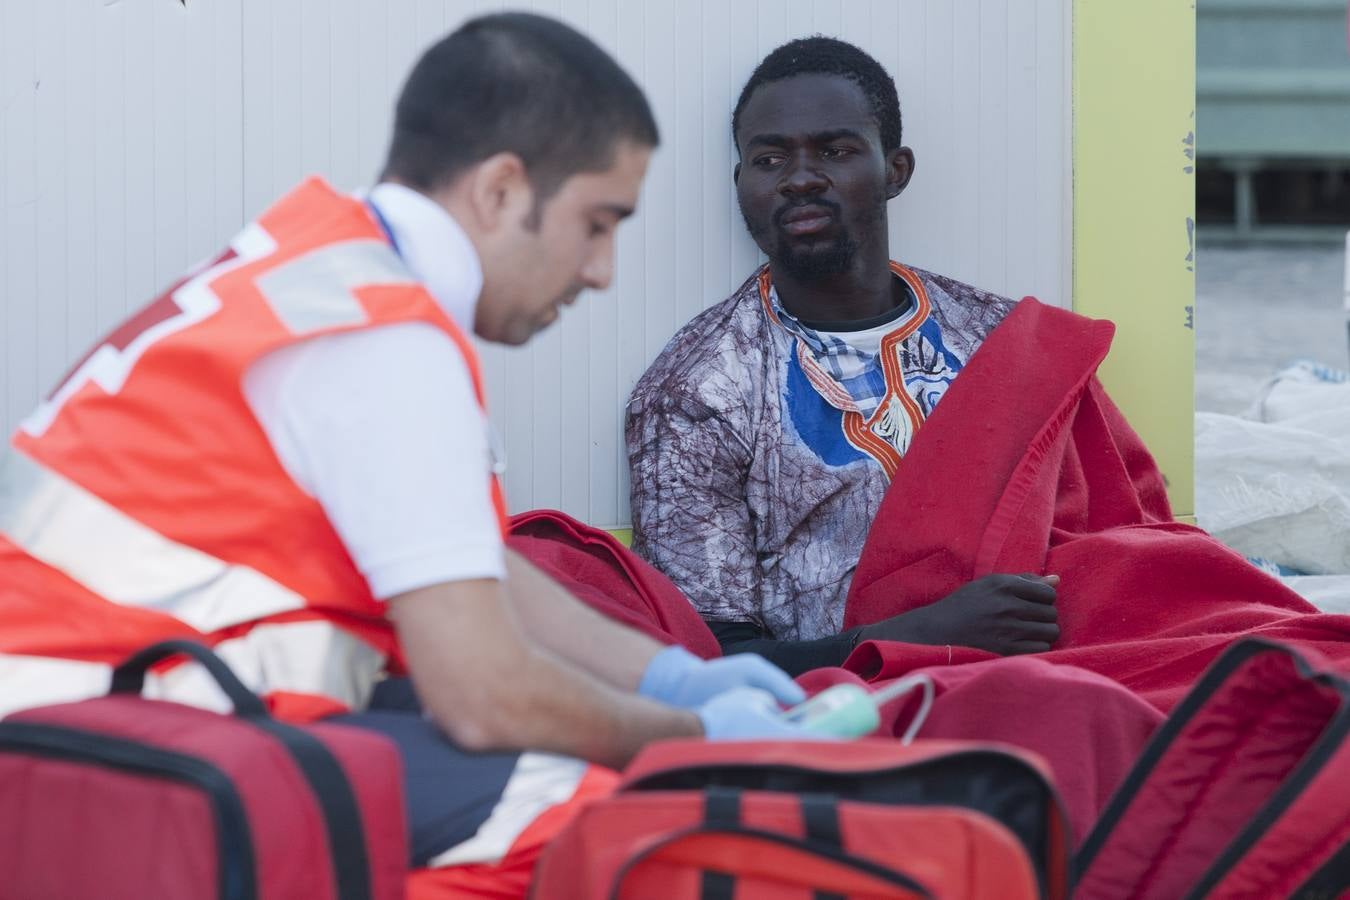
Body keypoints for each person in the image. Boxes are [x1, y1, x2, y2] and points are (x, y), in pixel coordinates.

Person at [0, 14, 816, 898]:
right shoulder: (384, 338)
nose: (602, 271)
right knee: (593, 814)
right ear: (502, 192)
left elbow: (473, 568)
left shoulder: (324, 272)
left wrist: (673, 677)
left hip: (81, 723)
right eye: (597, 223)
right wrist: (693, 738)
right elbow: (483, 693)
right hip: (105, 749)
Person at [628, 37, 1061, 675]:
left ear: (896, 169)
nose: (800, 178)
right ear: (741, 181)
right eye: (770, 158)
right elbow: (710, 662)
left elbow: (1102, 524)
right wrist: (926, 635)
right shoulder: (697, 392)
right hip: (848, 713)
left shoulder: (1002, 338)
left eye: (835, 151)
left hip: (1051, 663)